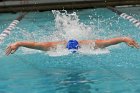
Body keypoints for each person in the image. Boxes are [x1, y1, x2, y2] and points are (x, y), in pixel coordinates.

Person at [5, 37, 140, 56]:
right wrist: (18, 43)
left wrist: (124, 39)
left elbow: (109, 41)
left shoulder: (91, 45)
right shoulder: (52, 46)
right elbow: (35, 45)